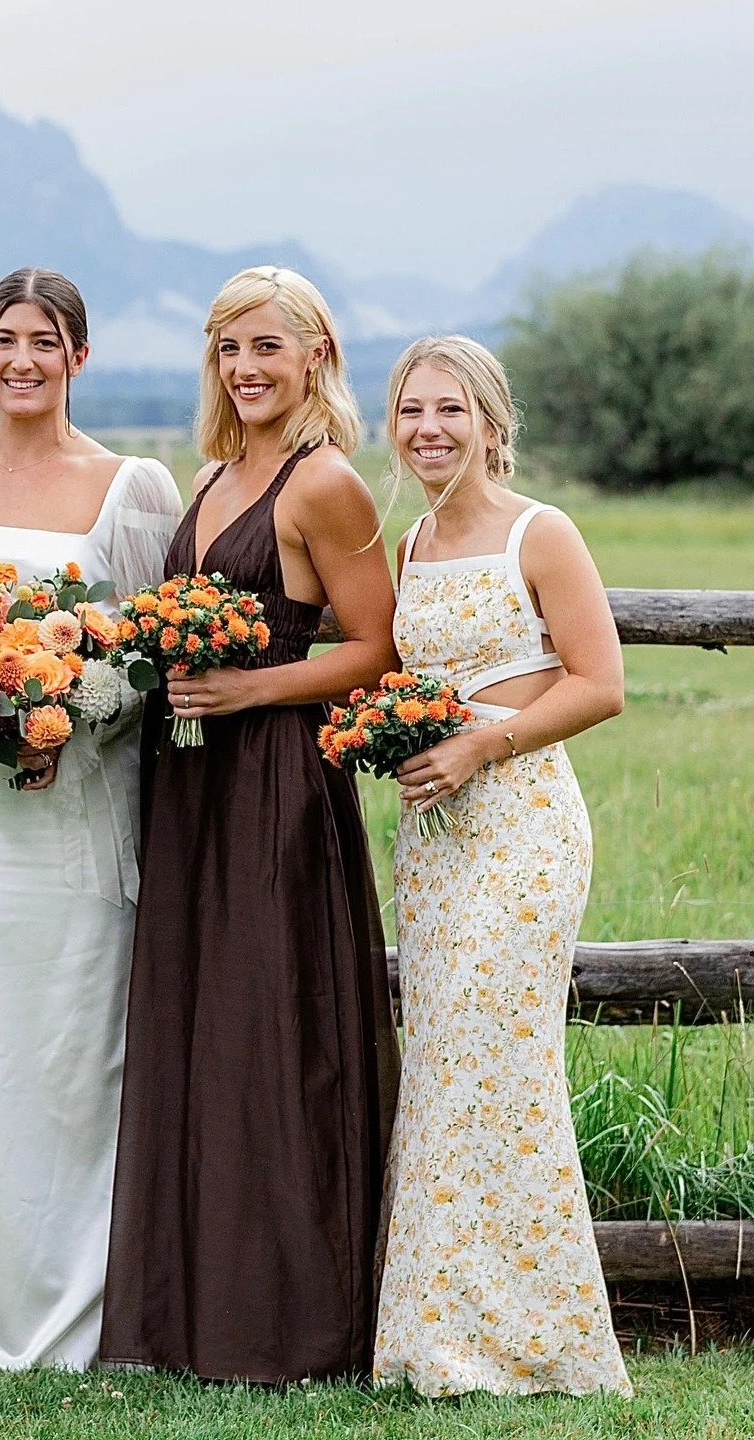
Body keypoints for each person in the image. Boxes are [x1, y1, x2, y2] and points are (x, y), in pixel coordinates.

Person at [100, 265, 401, 1384]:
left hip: (276, 780)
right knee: (200, 1026)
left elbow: (376, 649)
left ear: (316, 353)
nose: (247, 369)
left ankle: (291, 1320)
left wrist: (250, 690)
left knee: (274, 1032)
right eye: (230, 350)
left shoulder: (326, 485)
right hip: (190, 784)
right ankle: (193, 1309)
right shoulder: (216, 472)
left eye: (268, 347)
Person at [0, 267, 183, 1371]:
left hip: (75, 806)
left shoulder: (133, 483)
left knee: (69, 1045)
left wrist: (67, 705)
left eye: (45, 341)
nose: (22, 359)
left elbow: (153, 653)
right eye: (4, 339)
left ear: (80, 355)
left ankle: (77, 1308)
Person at [371, 335, 631, 1397]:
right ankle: (436, 1336)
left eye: (450, 409)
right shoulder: (415, 542)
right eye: (411, 411)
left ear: (490, 420)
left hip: (523, 828)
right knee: (442, 1071)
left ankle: (539, 1338)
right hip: (433, 842)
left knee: (503, 1070)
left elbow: (600, 681)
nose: (430, 429)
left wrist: (483, 742)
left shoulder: (542, 531)